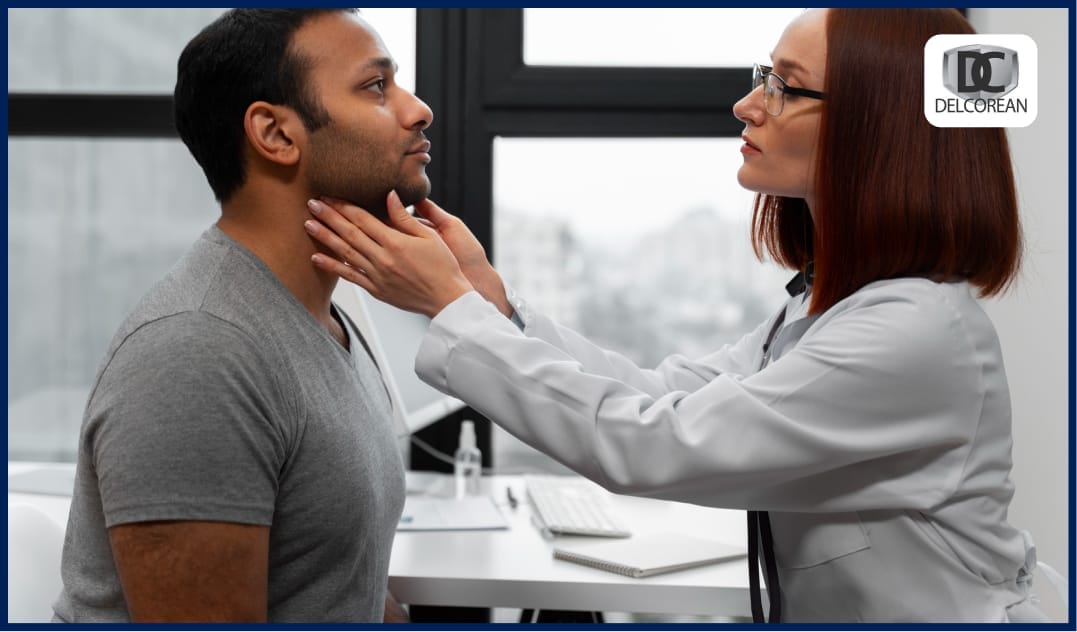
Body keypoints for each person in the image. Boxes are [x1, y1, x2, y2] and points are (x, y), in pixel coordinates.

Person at [301, 8, 1050, 623]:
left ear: (874, 129)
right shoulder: (841, 307)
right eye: (764, 78)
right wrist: (494, 305)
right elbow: (665, 391)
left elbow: (655, 444)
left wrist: (450, 308)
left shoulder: (910, 332)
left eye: (785, 87)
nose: (747, 104)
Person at [53, 9, 430, 622]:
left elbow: (341, 583)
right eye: (376, 87)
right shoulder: (198, 354)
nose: (417, 110)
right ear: (276, 135)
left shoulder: (328, 321)